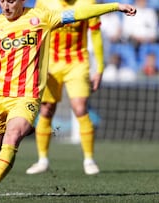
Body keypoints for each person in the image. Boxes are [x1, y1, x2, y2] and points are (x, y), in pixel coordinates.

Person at [0, 0, 136, 200]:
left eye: (11, 1)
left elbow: (79, 13)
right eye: (2, 1)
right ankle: (27, 128)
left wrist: (115, 6)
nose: (6, 6)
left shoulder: (42, 17)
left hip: (26, 96)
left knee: (11, 137)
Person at [25, 0, 106, 176]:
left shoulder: (88, 2)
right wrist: (37, 63)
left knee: (80, 108)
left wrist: (99, 67)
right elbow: (36, 33)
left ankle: (89, 159)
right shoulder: (44, 3)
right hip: (51, 62)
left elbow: (96, 34)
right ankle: (42, 160)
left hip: (77, 62)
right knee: (46, 109)